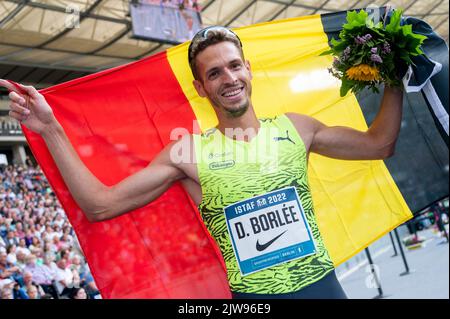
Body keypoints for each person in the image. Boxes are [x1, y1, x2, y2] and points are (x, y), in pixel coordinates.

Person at [0, 25, 404, 299]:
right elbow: (100, 205)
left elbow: (379, 144)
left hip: (322, 288)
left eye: (233, 66)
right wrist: (51, 129)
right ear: (200, 87)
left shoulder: (298, 129)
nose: (228, 78)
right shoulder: (188, 153)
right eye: (214, 73)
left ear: (248, 70)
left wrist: (393, 72)